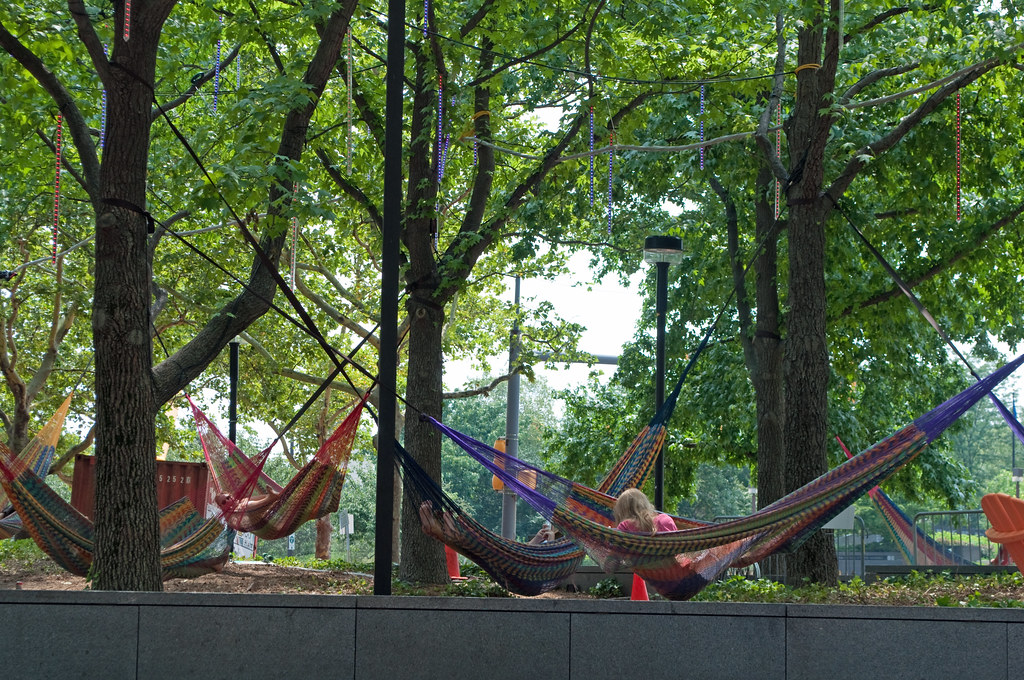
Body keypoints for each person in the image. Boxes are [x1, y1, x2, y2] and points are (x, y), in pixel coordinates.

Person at [214, 488, 281, 514]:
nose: (228, 501)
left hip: (267, 511)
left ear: (232, 496)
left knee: (245, 501)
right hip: (257, 521)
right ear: (222, 507)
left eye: (228, 497)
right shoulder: (230, 515)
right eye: (224, 502)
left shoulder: (243, 501)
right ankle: (270, 499)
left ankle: (273, 497)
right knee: (244, 506)